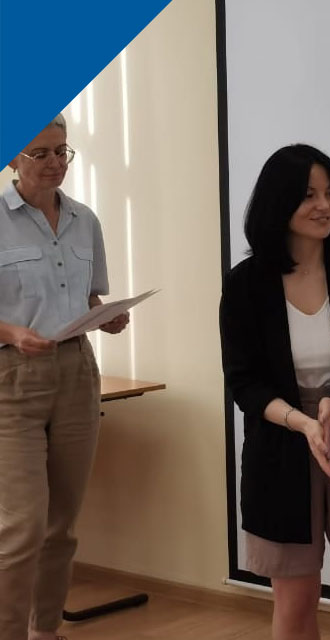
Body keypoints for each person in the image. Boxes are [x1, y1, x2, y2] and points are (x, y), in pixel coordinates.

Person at [220, 144, 330, 640]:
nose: (325, 205)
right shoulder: (245, 284)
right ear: (278, 202)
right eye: (308, 195)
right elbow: (243, 381)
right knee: (296, 605)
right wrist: (303, 423)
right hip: (280, 448)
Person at [0, 114, 130, 640]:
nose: (55, 163)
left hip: (77, 372)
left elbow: (88, 297)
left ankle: (45, 630)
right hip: (12, 380)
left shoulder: (85, 220)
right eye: (41, 153)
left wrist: (107, 317)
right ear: (13, 158)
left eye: (62, 151)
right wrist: (11, 333)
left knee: (62, 525)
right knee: (21, 527)